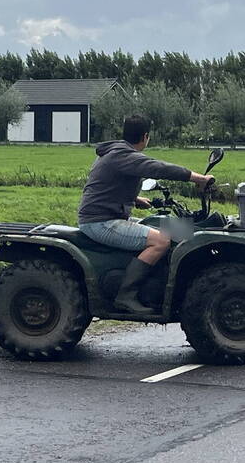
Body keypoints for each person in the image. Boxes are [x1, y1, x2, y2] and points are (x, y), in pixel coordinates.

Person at [78, 114, 214, 314]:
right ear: (145, 137)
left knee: (162, 227)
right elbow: (158, 168)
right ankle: (126, 296)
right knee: (161, 241)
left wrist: (135, 200)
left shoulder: (115, 152)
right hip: (101, 221)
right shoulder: (124, 155)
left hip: (104, 215)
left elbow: (106, 186)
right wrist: (198, 178)